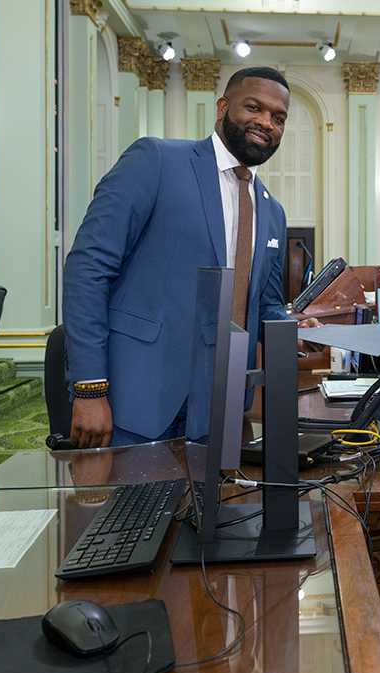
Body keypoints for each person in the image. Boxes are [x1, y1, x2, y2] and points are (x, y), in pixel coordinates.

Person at [64, 66, 316, 449]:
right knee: (120, 509)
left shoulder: (273, 212)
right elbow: (88, 269)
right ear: (222, 106)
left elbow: (262, 304)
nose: (266, 122)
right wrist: (90, 389)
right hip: (135, 396)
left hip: (221, 404)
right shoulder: (157, 160)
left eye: (278, 117)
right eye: (254, 107)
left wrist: (296, 329)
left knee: (205, 508)